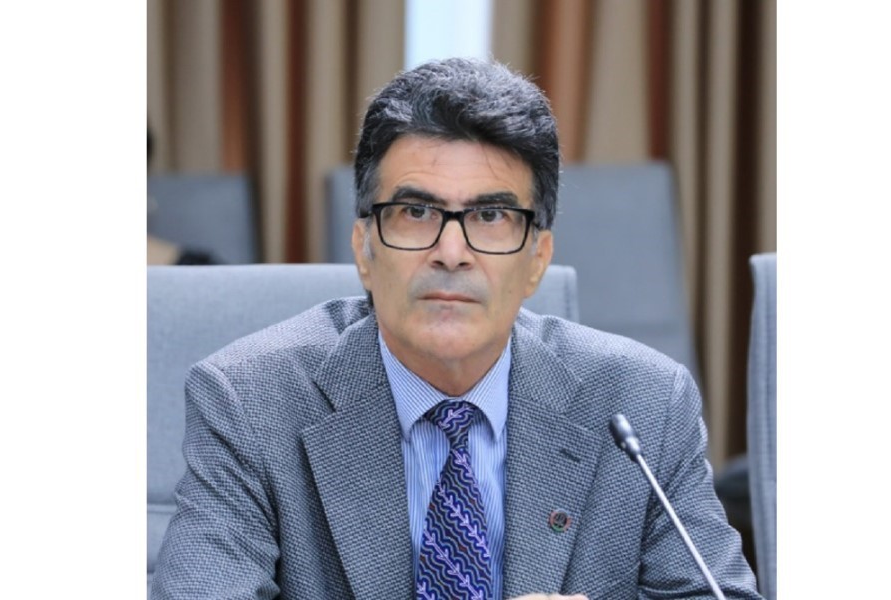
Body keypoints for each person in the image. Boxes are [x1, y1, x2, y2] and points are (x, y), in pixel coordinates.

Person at [151, 58, 760, 600]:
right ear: (364, 249)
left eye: (491, 215)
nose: (451, 252)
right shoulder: (249, 403)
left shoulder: (644, 405)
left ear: (537, 260)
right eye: (416, 212)